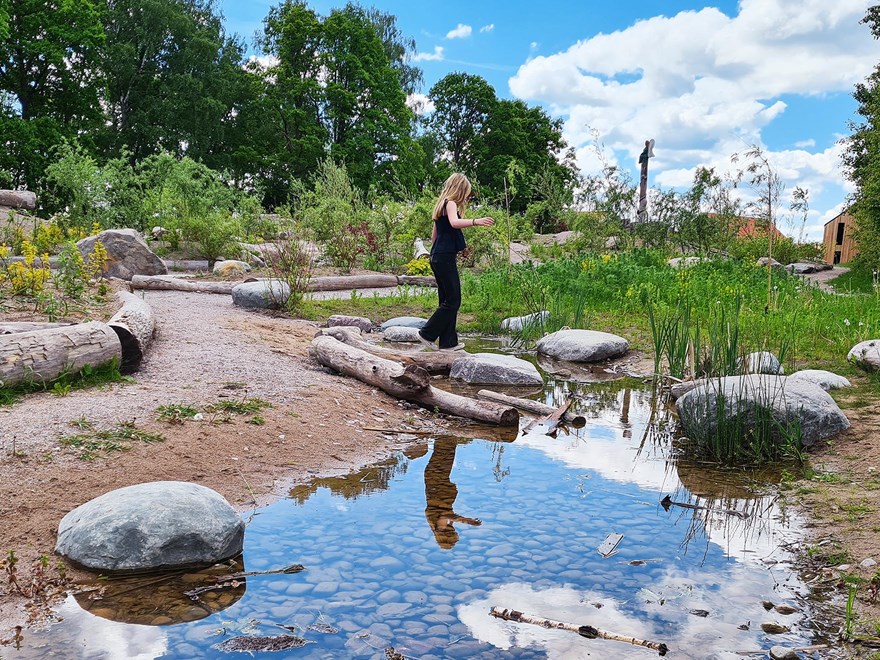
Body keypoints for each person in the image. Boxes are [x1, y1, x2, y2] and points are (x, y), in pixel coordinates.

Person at [417, 173, 494, 351]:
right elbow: (454, 222)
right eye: (466, 192)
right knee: (453, 300)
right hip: (444, 257)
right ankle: (426, 333)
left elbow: (433, 235)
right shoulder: (450, 203)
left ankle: (448, 343)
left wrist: (434, 254)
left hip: (437, 256)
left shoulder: (440, 206)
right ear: (459, 189)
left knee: (446, 300)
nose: (467, 196)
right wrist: (476, 221)